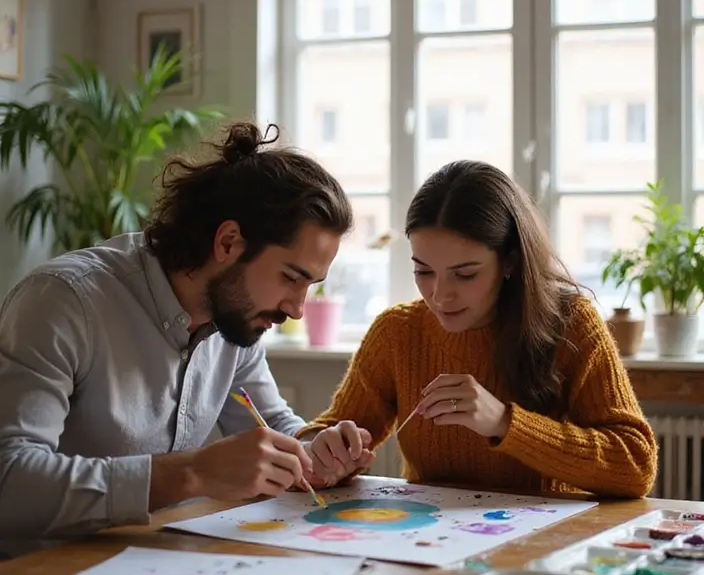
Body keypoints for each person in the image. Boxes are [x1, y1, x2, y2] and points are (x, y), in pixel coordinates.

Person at [0, 122, 369, 553]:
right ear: (228, 242)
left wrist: (315, 452)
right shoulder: (63, 302)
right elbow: (9, 480)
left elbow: (272, 426)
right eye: (291, 277)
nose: (297, 309)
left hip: (152, 562)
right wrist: (192, 474)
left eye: (312, 285)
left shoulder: (235, 317)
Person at [303, 160, 657, 499]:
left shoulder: (571, 323)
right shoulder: (398, 331)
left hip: (542, 549)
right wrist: (321, 449)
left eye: (465, 274)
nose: (440, 295)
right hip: (429, 545)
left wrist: (504, 422)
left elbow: (636, 465)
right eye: (423, 271)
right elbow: (328, 433)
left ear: (510, 261)